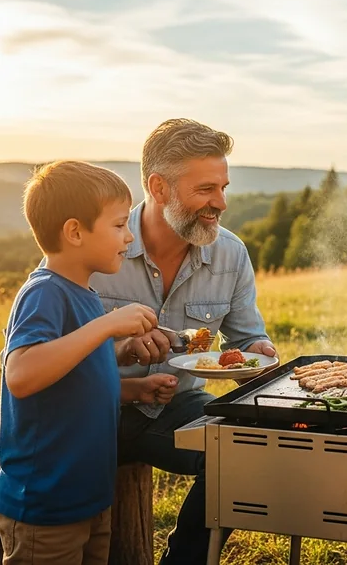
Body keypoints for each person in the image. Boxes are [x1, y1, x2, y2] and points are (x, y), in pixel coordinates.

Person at [90, 119, 277, 565]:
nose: (221, 203)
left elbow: (248, 338)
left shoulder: (230, 254)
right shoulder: (94, 248)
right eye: (206, 190)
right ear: (158, 187)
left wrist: (258, 354)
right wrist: (120, 357)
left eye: (224, 188)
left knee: (240, 453)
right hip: (91, 409)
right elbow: (43, 353)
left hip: (173, 410)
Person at [0, 161, 176, 565]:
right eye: (118, 225)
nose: (129, 237)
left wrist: (130, 386)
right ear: (75, 231)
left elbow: (73, 375)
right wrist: (109, 326)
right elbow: (21, 375)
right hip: (46, 507)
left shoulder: (85, 294)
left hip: (90, 498)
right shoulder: (44, 293)